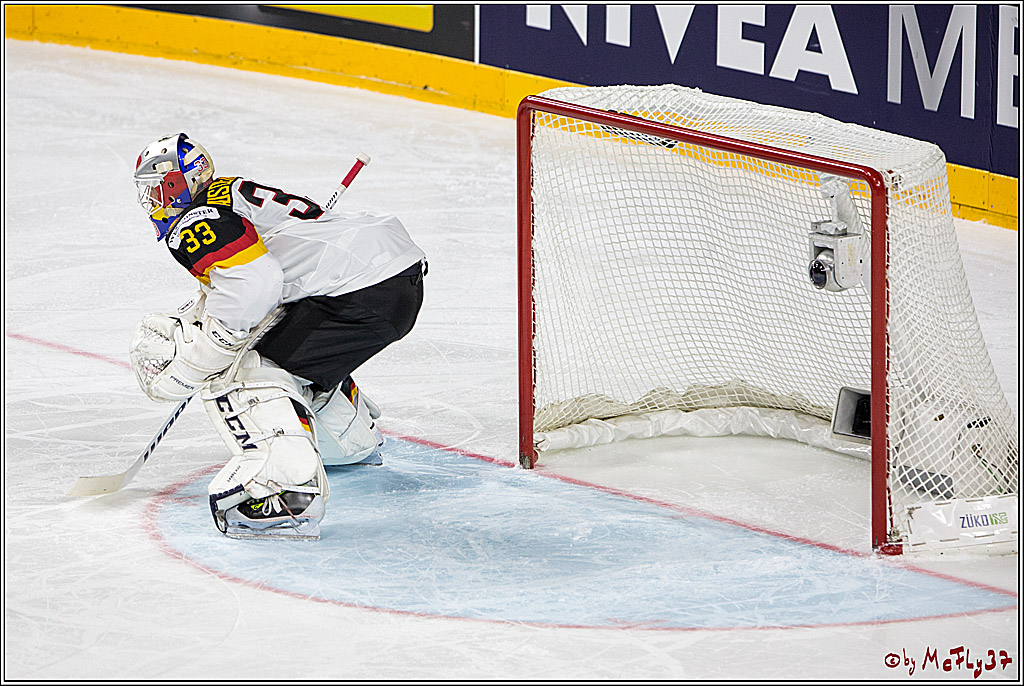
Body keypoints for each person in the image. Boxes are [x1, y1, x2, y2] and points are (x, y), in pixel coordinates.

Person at [128, 133, 426, 540]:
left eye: (160, 190)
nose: (155, 203)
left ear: (181, 183)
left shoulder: (196, 220)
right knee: (285, 354)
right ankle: (351, 440)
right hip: (387, 276)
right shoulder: (228, 192)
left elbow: (255, 281)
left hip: (362, 289)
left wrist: (208, 350)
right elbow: (293, 243)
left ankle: (285, 496)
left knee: (239, 370)